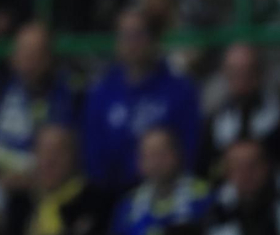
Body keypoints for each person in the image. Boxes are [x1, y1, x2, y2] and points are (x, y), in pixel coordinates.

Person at [84, 10, 202, 193]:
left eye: (139, 34)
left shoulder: (180, 90)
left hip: (170, 190)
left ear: (154, 39)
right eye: (125, 35)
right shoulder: (101, 93)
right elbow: (93, 157)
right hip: (114, 195)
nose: (132, 43)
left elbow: (190, 149)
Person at [3, 124, 109, 235]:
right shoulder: (20, 201)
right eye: (43, 151)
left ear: (74, 157)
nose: (50, 160)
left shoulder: (93, 200)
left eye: (59, 151)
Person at [111, 127, 211, 235]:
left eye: (161, 153)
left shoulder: (202, 196)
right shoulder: (127, 206)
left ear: (177, 154)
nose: (155, 162)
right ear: (139, 163)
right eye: (148, 155)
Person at [0, 21, 81, 189]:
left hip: (42, 190)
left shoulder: (67, 96)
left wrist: (31, 180)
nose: (28, 59)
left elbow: (64, 156)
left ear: (49, 57)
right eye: (23, 51)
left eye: (36, 52)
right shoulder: (0, 91)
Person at [203, 43, 280, 172]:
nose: (242, 80)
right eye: (234, 73)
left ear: (260, 73)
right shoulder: (215, 118)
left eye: (248, 71)